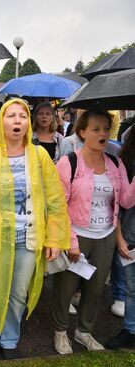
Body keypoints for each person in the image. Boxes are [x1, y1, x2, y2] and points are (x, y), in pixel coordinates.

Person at [0, 98, 70, 361]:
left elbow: (55, 200)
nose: (17, 121)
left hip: (29, 237)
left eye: (22, 116)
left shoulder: (39, 156)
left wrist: (55, 238)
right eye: (10, 116)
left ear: (28, 122)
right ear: (0, 121)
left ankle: (10, 338)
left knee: (17, 292)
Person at [52, 109, 135, 355]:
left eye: (106, 129)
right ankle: (60, 332)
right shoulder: (69, 162)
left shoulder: (115, 162)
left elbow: (126, 202)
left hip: (105, 235)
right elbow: (58, 206)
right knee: (65, 289)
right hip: (76, 234)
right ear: (82, 132)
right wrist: (71, 241)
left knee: (96, 289)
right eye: (96, 129)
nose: (103, 134)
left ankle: (84, 331)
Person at [108, 128, 135, 349]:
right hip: (130, 233)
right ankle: (130, 329)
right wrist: (120, 238)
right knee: (131, 288)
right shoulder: (125, 159)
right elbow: (122, 202)